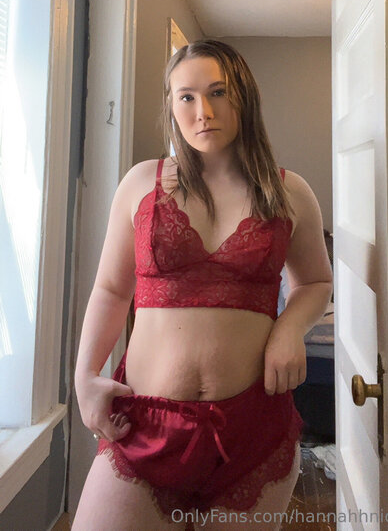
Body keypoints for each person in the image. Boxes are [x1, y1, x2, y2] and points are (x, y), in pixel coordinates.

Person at [72, 39, 333, 531]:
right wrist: (84, 377)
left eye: (218, 92)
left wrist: (288, 329)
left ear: (244, 97)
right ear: (171, 106)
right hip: (144, 426)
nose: (203, 112)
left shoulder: (289, 192)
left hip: (253, 430)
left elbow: (316, 281)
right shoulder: (140, 183)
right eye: (186, 97)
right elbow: (111, 290)